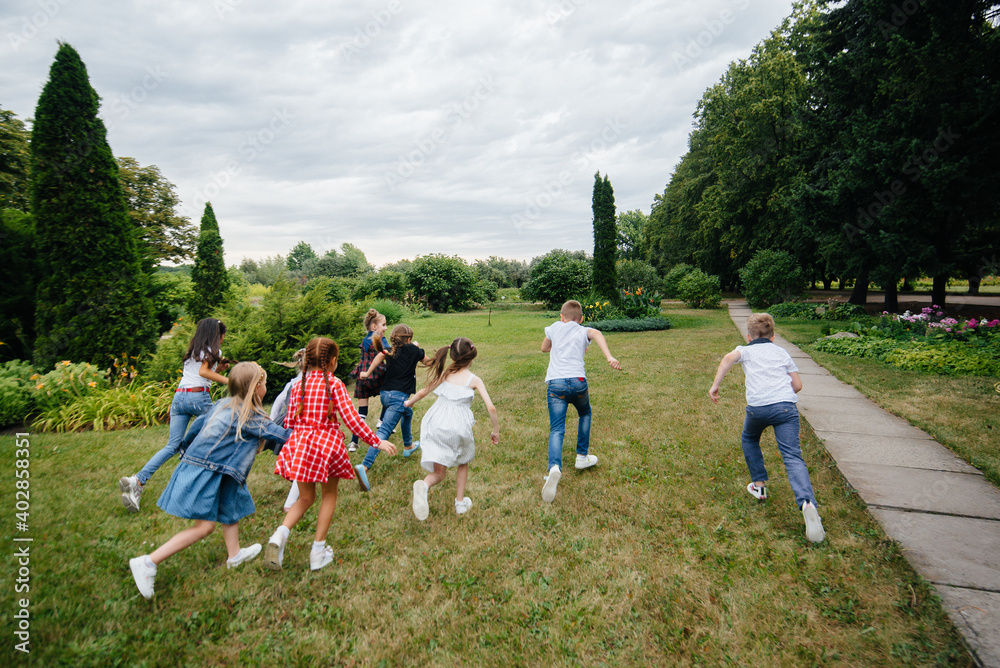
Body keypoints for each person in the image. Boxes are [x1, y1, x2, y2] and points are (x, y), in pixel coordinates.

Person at [129, 362, 290, 599]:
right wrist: (312, 435)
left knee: (230, 505)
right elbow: (282, 435)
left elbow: (197, 425)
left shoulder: (221, 404)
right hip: (206, 471)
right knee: (204, 527)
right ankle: (148, 562)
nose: (265, 387)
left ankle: (234, 555)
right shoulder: (251, 418)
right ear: (257, 388)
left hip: (217, 470)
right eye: (264, 383)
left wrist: (184, 447)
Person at [264, 337, 396, 572]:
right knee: (328, 494)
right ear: (333, 361)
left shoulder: (299, 384)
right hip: (327, 446)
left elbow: (291, 420)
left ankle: (279, 534)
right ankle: (318, 551)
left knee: (305, 498)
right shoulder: (334, 384)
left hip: (301, 444)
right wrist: (377, 441)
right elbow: (352, 420)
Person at [708, 312, 825, 543]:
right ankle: (807, 503)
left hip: (758, 409)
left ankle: (759, 486)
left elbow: (728, 358)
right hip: (785, 408)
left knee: (750, 439)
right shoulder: (781, 352)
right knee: (792, 456)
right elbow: (797, 385)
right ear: (773, 336)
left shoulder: (745, 350)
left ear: (748, 337)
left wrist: (715, 386)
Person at [119, 318, 229, 513]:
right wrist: (230, 380)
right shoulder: (214, 351)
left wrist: (219, 368)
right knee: (221, 432)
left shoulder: (194, 350)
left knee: (172, 445)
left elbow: (201, 371)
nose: (222, 340)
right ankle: (211, 485)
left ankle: (137, 481)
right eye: (222, 336)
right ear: (216, 335)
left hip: (179, 398)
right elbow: (204, 372)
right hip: (197, 397)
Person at [404, 337, 499, 520]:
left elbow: (424, 391)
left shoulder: (446, 374)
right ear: (472, 357)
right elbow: (491, 407)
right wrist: (495, 430)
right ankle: (460, 503)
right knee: (463, 461)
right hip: (458, 426)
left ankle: (424, 485)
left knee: (439, 473)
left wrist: (409, 403)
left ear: (453, 356)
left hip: (436, 422)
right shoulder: (474, 379)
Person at [540, 299, 622, 504]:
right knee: (585, 413)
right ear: (582, 319)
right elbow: (597, 334)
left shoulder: (554, 327)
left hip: (556, 383)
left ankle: (554, 467)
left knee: (557, 428)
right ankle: (581, 457)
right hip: (578, 382)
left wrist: (557, 341)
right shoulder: (583, 331)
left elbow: (544, 348)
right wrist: (609, 357)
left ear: (562, 317)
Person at [355, 324, 432, 490]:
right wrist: (435, 358)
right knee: (384, 431)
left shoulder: (390, 350)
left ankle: (408, 446)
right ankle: (365, 466)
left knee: (407, 413)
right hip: (398, 398)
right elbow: (427, 362)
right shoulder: (414, 350)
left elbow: (379, 356)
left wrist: (367, 373)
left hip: (385, 395)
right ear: (409, 339)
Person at [347, 309, 390, 452]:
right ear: (374, 326)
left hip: (362, 377)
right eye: (383, 325)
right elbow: (388, 352)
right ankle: (381, 421)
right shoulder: (381, 339)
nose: (385, 328)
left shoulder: (365, 339)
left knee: (361, 412)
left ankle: (353, 443)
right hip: (377, 374)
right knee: (388, 396)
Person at [270, 348, 305, 512]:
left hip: (289, 423)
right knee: (302, 460)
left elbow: (278, 402)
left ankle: (296, 480)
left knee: (297, 456)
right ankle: (291, 499)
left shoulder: (292, 383)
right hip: (302, 424)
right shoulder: (315, 381)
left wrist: (272, 421)